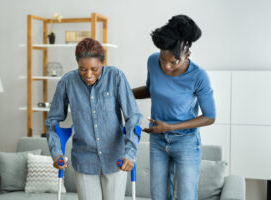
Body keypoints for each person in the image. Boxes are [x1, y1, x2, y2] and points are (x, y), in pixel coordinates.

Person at [46, 38, 143, 200]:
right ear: (77, 64)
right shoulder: (67, 82)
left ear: (102, 63)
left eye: (94, 69)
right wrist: (56, 153)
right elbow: (52, 122)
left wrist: (130, 153)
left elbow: (133, 117)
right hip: (84, 159)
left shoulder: (116, 77)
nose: (88, 75)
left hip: (116, 159)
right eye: (82, 69)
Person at [132, 15, 216, 200]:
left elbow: (210, 116)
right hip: (158, 141)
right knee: (159, 196)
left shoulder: (199, 76)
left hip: (186, 142)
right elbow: (151, 89)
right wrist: (124, 93)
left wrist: (170, 127)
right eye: (163, 58)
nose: (166, 66)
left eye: (174, 61)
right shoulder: (152, 61)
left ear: (188, 55)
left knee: (186, 196)